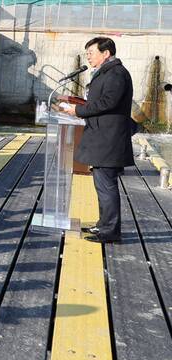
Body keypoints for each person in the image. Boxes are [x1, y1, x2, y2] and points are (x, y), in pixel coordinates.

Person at [58, 37, 136, 244]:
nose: (88, 57)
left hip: (108, 139)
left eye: (91, 52)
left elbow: (108, 102)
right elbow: (100, 102)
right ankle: (104, 224)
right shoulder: (108, 72)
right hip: (102, 137)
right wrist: (79, 107)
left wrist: (79, 110)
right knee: (102, 184)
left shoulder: (116, 73)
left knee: (107, 185)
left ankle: (110, 231)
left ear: (106, 53)